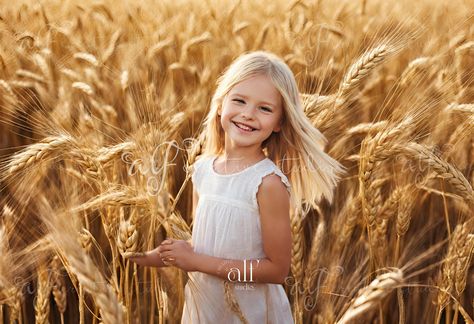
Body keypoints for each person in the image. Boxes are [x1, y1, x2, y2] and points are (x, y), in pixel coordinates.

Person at [128, 51, 346, 323]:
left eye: (264, 108)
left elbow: (277, 271)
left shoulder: (267, 184)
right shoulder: (202, 170)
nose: (248, 114)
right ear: (220, 104)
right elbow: (204, 243)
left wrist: (196, 263)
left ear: (279, 122)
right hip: (206, 306)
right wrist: (150, 256)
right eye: (239, 101)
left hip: (250, 311)